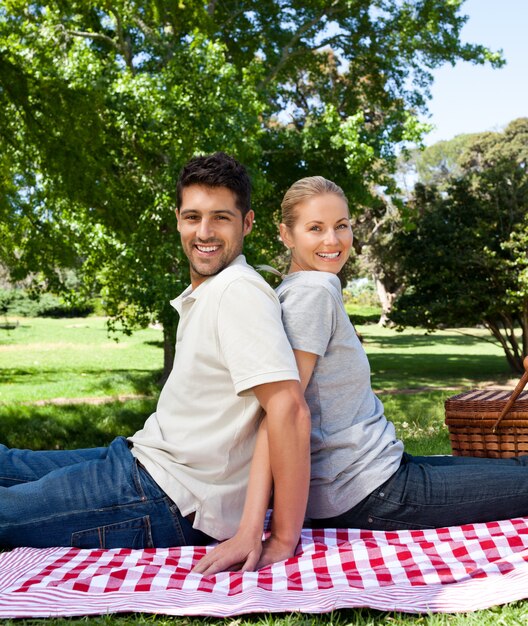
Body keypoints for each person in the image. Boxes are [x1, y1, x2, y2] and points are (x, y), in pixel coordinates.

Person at [196, 174, 528, 574]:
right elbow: (281, 412)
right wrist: (277, 535)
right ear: (285, 234)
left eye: (342, 226)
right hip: (369, 493)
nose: (332, 241)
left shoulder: (302, 288)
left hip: (380, 472)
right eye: (315, 228)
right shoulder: (312, 294)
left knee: (518, 470)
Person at [0, 152, 311, 567]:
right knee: (8, 464)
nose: (204, 232)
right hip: (141, 457)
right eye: (192, 216)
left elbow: (288, 407)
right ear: (178, 219)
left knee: (8, 509)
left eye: (221, 217)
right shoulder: (213, 289)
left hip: (169, 498)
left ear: (247, 223)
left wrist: (282, 539)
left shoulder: (239, 292)